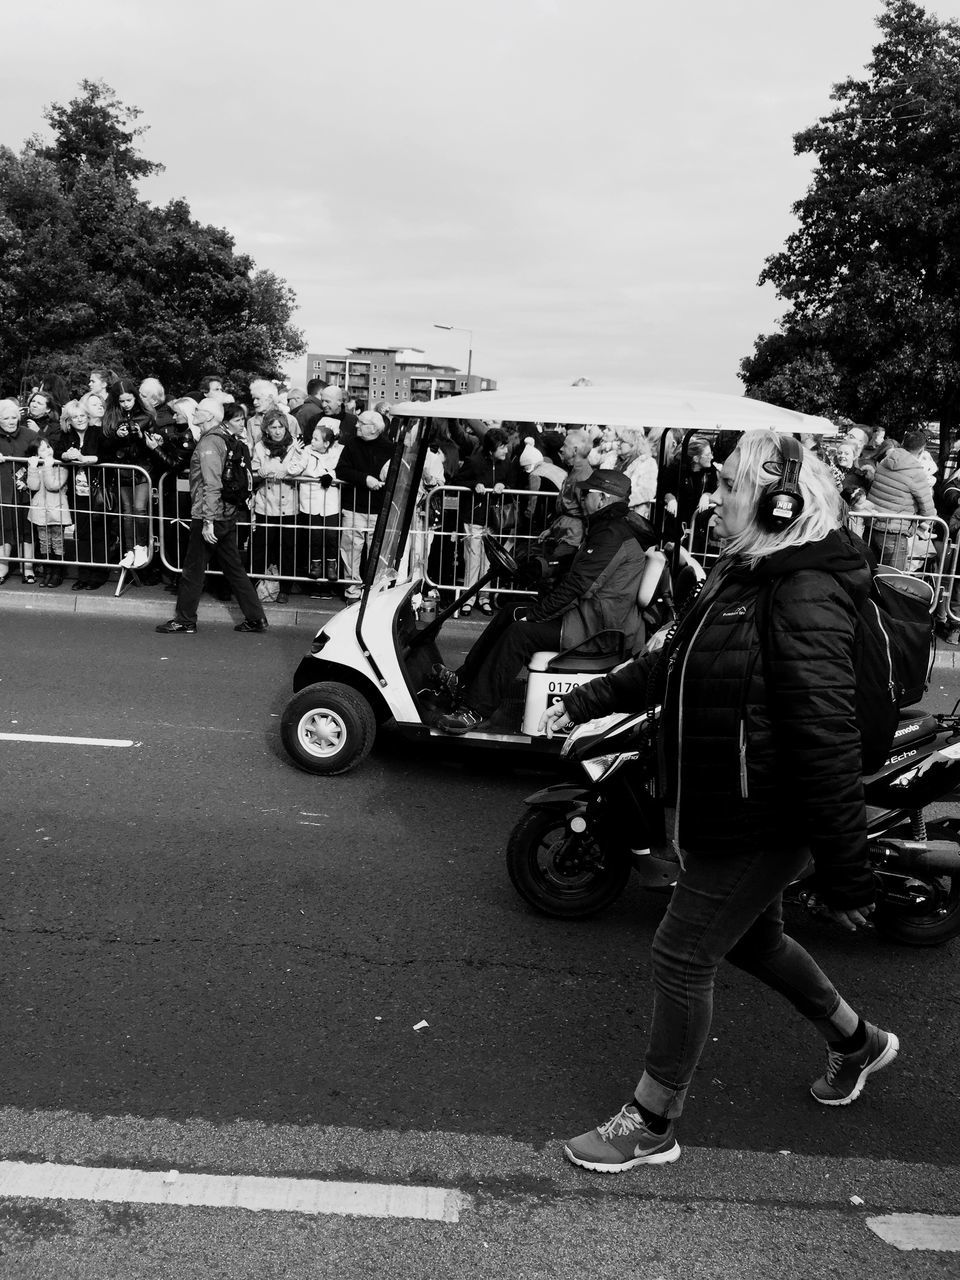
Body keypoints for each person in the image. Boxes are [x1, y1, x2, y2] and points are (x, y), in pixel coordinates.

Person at [540, 433, 896, 1174]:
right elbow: (671, 663)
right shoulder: (744, 574)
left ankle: (653, 1119)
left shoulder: (804, 589)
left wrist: (846, 870)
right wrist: (589, 699)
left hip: (764, 813)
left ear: (778, 499)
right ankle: (857, 1042)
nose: (715, 499)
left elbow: (824, 731)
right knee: (753, 940)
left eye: (729, 486)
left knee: (680, 953)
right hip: (722, 802)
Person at [437, 469, 652, 734]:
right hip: (590, 617)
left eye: (587, 493)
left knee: (521, 633)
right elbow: (573, 565)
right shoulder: (606, 528)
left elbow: (577, 586)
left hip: (597, 629)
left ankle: (476, 710)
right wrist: (541, 568)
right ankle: (464, 680)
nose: (582, 497)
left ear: (603, 499)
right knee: (511, 611)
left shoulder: (611, 535)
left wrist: (538, 614)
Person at [155, 399, 269, 634]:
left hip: (210, 515)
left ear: (208, 417)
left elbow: (211, 483)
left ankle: (185, 620)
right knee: (234, 569)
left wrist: (207, 521)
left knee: (193, 569)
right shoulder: (228, 440)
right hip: (227, 513)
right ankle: (256, 618)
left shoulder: (210, 442)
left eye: (198, 410)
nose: (194, 412)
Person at [453, 427, 520, 616]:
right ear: (491, 449)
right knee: (473, 559)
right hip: (474, 517)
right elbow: (456, 481)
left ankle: (483, 597)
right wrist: (474, 485)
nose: (506, 451)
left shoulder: (506, 465)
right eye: (502, 447)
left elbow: (513, 485)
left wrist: (504, 486)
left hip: (493, 520)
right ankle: (468, 598)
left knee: (487, 561)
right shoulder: (473, 462)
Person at [335, 409, 393, 601]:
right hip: (354, 506)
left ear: (374, 428)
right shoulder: (352, 444)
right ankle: (352, 590)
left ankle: (375, 592)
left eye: (361, 422)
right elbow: (341, 470)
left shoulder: (390, 448)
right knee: (351, 551)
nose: (356, 425)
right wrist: (365, 479)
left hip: (379, 509)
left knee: (377, 553)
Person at [250, 408, 305, 604]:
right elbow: (255, 470)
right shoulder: (258, 446)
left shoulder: (295, 445)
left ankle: (285, 588)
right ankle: (257, 584)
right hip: (266, 504)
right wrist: (265, 471)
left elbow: (300, 467)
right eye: (273, 427)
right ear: (266, 429)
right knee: (262, 547)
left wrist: (282, 471)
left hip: (289, 505)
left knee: (287, 549)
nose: (277, 431)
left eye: (280, 427)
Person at [865, 428, 936, 569]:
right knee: (892, 581)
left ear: (903, 443)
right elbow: (928, 509)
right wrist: (927, 522)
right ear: (921, 450)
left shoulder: (886, 461)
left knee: (869, 573)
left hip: (872, 525)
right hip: (894, 531)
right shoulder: (915, 471)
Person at [60, 399, 109, 591]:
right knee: (81, 533)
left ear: (88, 417)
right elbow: (57, 452)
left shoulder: (98, 434)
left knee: (98, 531)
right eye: (75, 417)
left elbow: (108, 456)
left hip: (97, 491)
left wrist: (84, 459)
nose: (79, 420)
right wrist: (65, 456)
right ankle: (84, 574)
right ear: (69, 421)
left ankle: (99, 574)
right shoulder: (67, 436)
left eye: (82, 416)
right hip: (77, 492)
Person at [0, 397, 37, 584]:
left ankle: (27, 567)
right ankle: (2, 567)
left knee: (26, 528)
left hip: (25, 491)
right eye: (6, 418)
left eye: (14, 417)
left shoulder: (29, 434)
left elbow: (45, 451)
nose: (11, 422)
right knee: (3, 528)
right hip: (2, 491)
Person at [26, 437, 71, 587]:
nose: (49, 450)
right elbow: (33, 486)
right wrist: (32, 468)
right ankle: (47, 573)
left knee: (57, 542)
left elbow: (53, 485)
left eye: (49, 446)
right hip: (40, 510)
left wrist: (47, 467)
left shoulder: (60, 466)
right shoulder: (37, 466)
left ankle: (57, 573)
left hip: (57, 510)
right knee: (44, 542)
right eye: (43, 449)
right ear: (37, 454)